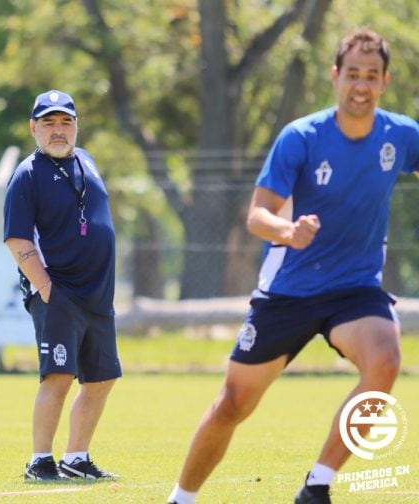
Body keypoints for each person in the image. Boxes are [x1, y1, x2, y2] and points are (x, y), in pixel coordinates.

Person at [167, 28, 417, 504]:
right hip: (289, 291)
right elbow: (257, 215)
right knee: (233, 405)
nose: (360, 86)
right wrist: (288, 231)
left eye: (371, 76)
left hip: (355, 291)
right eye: (352, 75)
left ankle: (317, 485)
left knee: (385, 359)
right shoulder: (301, 137)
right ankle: (182, 498)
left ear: (385, 81)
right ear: (335, 77)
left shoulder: (401, 135)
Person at [3, 90, 122, 481]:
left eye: (66, 122)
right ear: (33, 128)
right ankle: (40, 460)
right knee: (58, 376)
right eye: (49, 123)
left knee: (102, 378)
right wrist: (48, 290)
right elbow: (17, 240)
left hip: (98, 295)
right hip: (60, 294)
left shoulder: (85, 160)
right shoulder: (27, 175)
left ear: (76, 126)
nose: (58, 130)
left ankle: (76, 458)